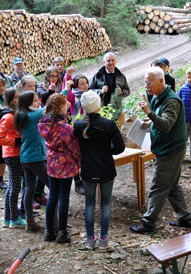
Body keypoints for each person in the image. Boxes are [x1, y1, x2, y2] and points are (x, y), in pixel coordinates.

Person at [130, 67, 191, 234]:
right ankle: (185, 218)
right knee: (171, 185)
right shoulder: (157, 97)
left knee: (158, 186)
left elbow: (166, 124)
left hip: (171, 150)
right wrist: (148, 122)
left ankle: (148, 223)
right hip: (167, 148)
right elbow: (161, 119)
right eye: (145, 82)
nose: (146, 86)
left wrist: (149, 113)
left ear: (161, 81)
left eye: (149, 82)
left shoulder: (171, 101)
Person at [74, 91, 125, 249]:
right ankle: (103, 240)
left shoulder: (78, 125)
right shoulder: (109, 124)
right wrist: (106, 152)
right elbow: (120, 147)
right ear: (98, 106)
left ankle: (90, 240)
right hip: (106, 169)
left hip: (88, 170)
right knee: (106, 204)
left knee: (89, 204)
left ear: (83, 107)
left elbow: (77, 147)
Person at [38, 94, 80, 243]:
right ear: (61, 107)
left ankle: (49, 231)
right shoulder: (64, 128)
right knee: (63, 197)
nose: (69, 104)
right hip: (65, 166)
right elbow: (74, 148)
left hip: (52, 164)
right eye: (66, 103)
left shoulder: (44, 124)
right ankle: (62, 232)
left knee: (53, 196)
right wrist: (79, 162)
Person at [14, 90, 48, 232]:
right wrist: (66, 87)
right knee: (53, 186)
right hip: (36, 159)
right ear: (28, 103)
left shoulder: (21, 115)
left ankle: (30, 221)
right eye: (35, 101)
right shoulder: (32, 116)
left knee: (29, 188)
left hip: (26, 158)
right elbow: (49, 108)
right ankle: (54, 220)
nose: (38, 103)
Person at [0, 87, 26, 228]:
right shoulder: (8, 117)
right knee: (15, 187)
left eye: (19, 96)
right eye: (16, 97)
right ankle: (14, 218)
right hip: (12, 154)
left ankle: (8, 218)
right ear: (10, 100)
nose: (19, 99)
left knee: (12, 187)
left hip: (15, 153)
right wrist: (16, 141)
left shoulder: (15, 114)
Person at [88, 52, 130, 120]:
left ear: (115, 62)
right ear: (104, 62)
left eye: (112, 60)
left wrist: (121, 92)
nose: (111, 63)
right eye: (108, 61)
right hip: (101, 110)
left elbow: (127, 91)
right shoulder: (98, 75)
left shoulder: (121, 76)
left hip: (116, 110)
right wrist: (101, 91)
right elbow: (89, 91)